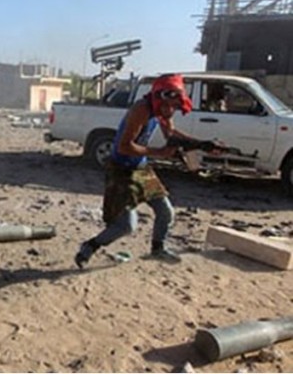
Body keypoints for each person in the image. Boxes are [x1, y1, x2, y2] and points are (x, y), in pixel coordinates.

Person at [74, 73, 212, 269]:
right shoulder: (141, 110)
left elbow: (171, 134)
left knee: (166, 212)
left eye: (175, 107)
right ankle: (90, 246)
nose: (171, 111)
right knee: (126, 226)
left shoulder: (161, 110)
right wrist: (159, 152)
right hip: (121, 170)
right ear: (160, 98)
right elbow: (124, 147)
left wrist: (202, 144)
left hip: (141, 167)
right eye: (169, 106)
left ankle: (158, 249)